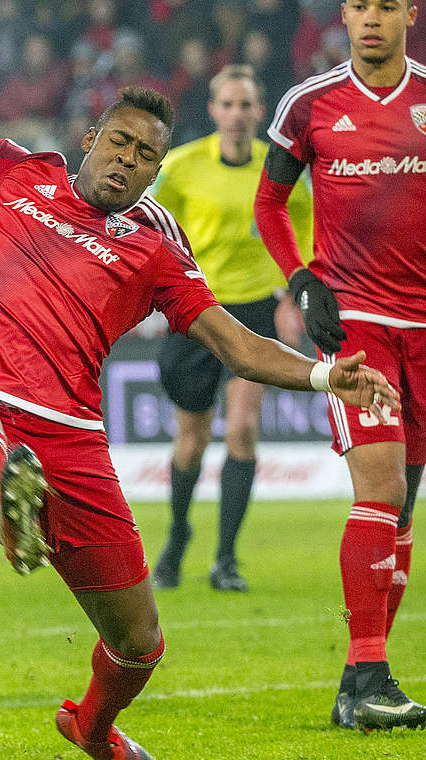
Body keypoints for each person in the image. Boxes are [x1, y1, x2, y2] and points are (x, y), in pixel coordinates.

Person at [0, 43, 400, 760]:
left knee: (139, 643)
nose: (127, 159)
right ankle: (10, 508)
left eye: (145, 155)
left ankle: (91, 729)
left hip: (71, 440)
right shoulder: (18, 172)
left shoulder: (155, 248)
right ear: (90, 139)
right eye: (118, 142)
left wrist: (322, 375)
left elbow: (235, 344)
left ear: (157, 170)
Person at [254, 0, 426, 732]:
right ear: (345, 16)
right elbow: (269, 204)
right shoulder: (310, 103)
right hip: (357, 326)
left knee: (404, 509)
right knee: (382, 488)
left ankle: (361, 684)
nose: (371, 19)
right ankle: (369, 671)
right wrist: (301, 279)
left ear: (410, 12)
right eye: (358, 6)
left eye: (386, 5)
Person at [150, 64, 314, 593]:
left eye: (246, 105)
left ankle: (225, 559)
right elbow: (153, 232)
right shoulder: (180, 167)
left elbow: (303, 232)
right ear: (214, 110)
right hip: (196, 310)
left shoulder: (281, 171)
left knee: (243, 428)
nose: (238, 115)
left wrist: (293, 296)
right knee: (191, 442)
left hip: (255, 312)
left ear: (259, 112)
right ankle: (177, 538)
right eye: (228, 104)